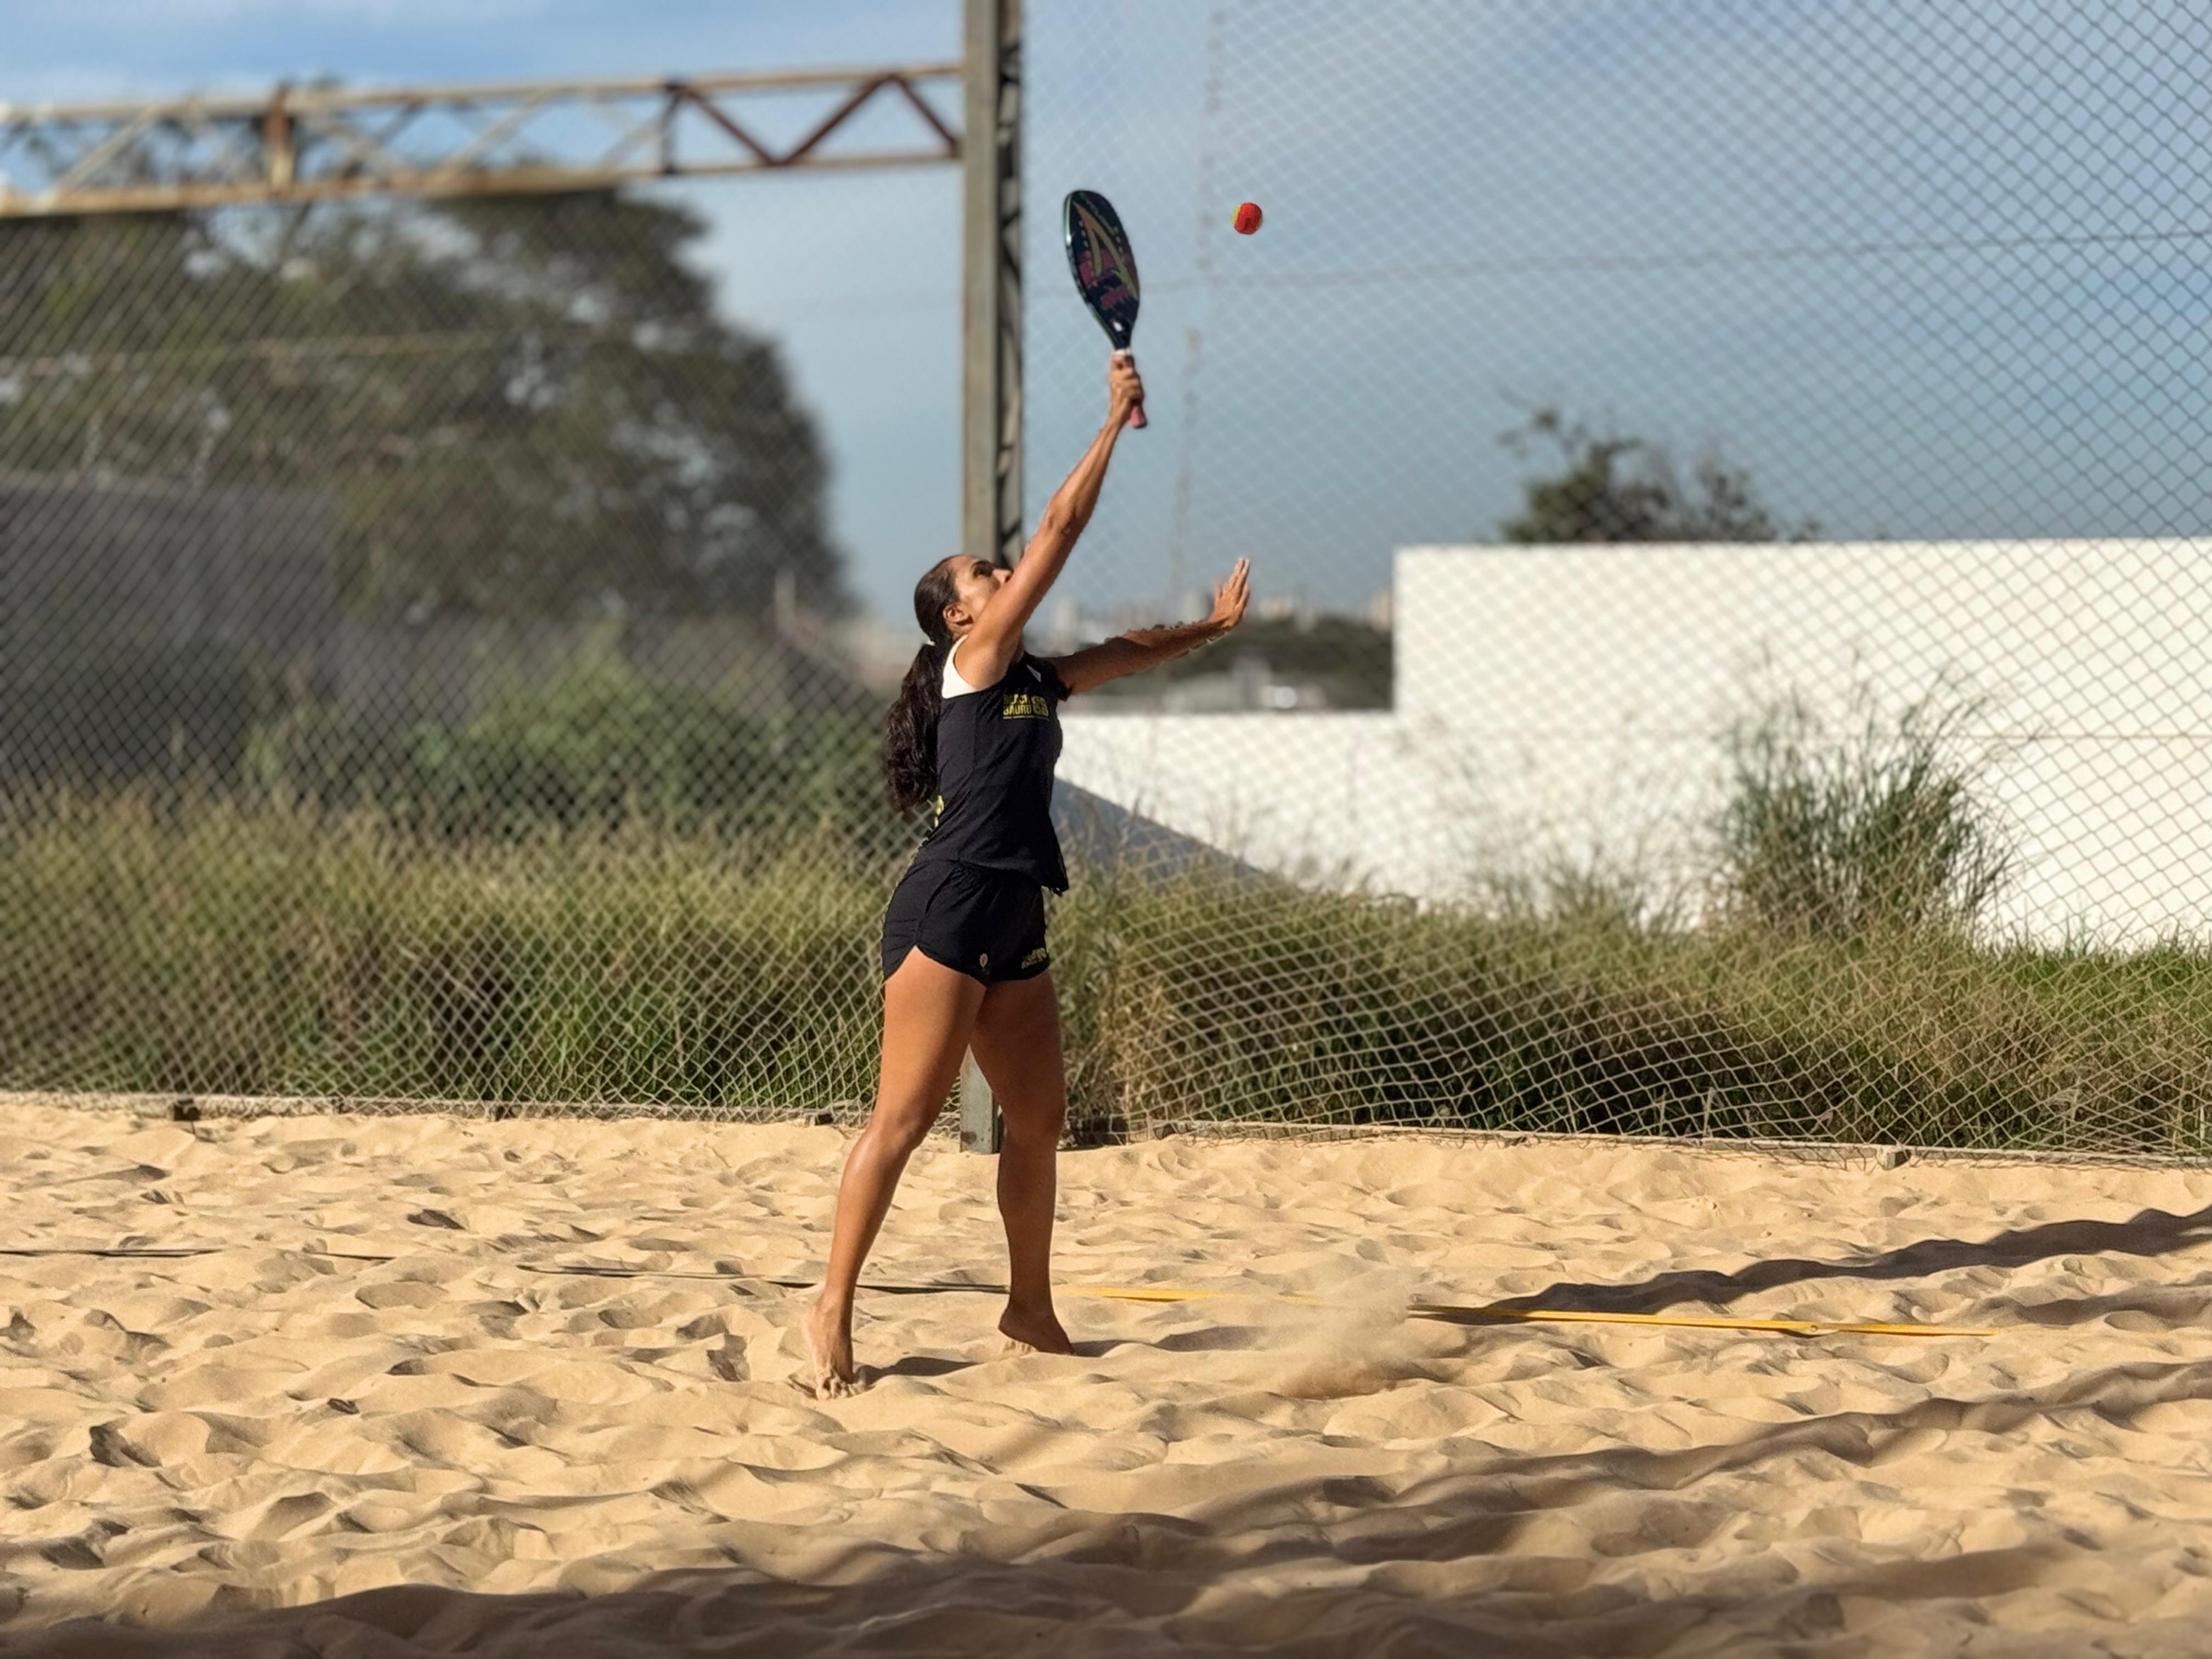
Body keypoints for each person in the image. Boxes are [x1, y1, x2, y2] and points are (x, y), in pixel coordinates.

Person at [805, 354, 1251, 1395]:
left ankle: (1030, 1308)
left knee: (1040, 1123)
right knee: (903, 1124)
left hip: (1014, 906)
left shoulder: (1034, 679)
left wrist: (1207, 632)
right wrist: (1111, 421)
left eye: (996, 570)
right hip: (947, 904)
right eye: (982, 576)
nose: (1002, 575)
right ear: (958, 620)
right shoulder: (974, 667)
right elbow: (1060, 529)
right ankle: (830, 1310)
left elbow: (1125, 651)